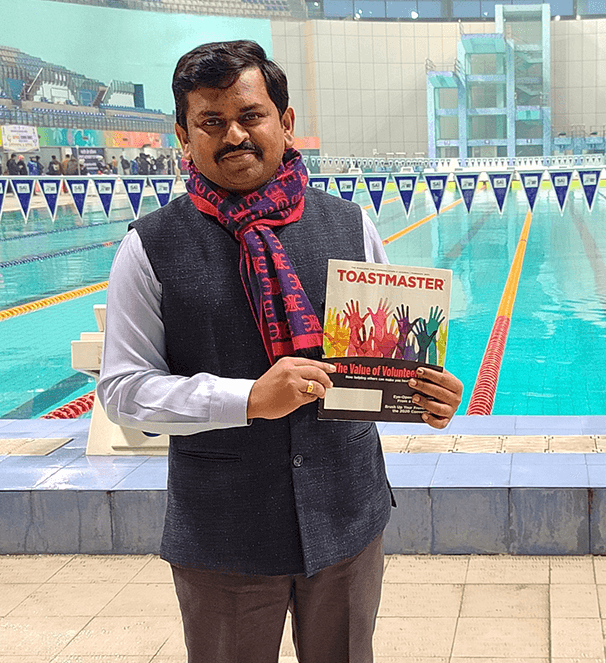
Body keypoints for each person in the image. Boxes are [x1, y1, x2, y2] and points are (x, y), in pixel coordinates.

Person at [97, 40, 463, 663]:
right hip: (223, 536)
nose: (234, 133)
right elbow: (123, 390)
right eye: (211, 122)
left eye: (251, 115)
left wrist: (423, 394)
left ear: (286, 123)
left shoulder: (351, 225)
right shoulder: (149, 246)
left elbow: (379, 365)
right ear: (184, 136)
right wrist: (246, 399)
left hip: (346, 519)